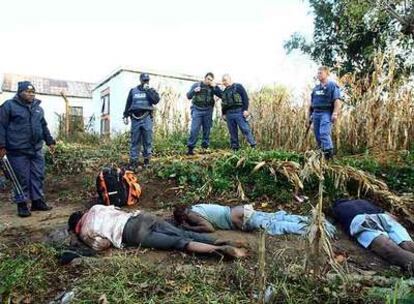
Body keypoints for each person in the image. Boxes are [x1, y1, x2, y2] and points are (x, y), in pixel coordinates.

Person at [68, 204, 247, 258]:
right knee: (183, 233)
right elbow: (117, 209)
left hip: (133, 233)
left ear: (75, 226)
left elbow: (103, 244)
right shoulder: (96, 207)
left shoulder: (84, 232)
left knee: (179, 243)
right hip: (142, 217)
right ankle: (222, 241)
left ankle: (219, 251)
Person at [0, 81, 55, 217]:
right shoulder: (9, 106)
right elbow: (1, 126)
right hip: (17, 150)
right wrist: (1, 146)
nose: (31, 94)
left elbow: (43, 126)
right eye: (28, 92)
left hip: (36, 149)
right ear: (20, 92)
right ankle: (22, 204)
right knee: (21, 178)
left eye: (33, 92)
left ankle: (37, 202)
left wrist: (50, 141)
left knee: (38, 175)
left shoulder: (38, 108)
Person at [333, 198, 414, 271]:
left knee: (390, 249)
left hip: (361, 220)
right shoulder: (363, 201)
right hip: (382, 216)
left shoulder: (337, 208)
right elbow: (391, 216)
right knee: (408, 245)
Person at [173, 203, 335, 236]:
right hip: (242, 210)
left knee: (276, 226)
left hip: (241, 219)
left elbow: (209, 228)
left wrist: (188, 228)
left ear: (183, 215)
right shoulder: (196, 207)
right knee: (275, 217)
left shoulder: (191, 215)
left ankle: (316, 229)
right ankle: (310, 219)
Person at [123, 73, 160, 169]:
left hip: (146, 117)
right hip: (135, 118)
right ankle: (133, 161)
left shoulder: (151, 90)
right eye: (144, 80)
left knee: (147, 140)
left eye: (147, 80)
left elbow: (156, 100)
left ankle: (147, 160)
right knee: (135, 140)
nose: (145, 82)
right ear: (140, 80)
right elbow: (128, 103)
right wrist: (125, 115)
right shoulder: (133, 91)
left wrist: (148, 90)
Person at [309, 66, 342, 159]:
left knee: (324, 132)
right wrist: (310, 116)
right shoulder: (316, 88)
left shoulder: (332, 85)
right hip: (316, 113)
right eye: (318, 73)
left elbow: (337, 100)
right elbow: (311, 104)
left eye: (320, 73)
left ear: (327, 74)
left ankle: (329, 154)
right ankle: (321, 153)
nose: (318, 74)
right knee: (317, 135)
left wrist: (335, 113)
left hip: (326, 112)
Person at [186, 72, 222, 155]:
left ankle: (204, 148)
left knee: (207, 130)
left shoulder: (212, 87)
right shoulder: (196, 85)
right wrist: (194, 91)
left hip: (208, 110)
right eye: (208, 79)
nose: (209, 81)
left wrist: (215, 87)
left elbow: (221, 95)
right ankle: (190, 148)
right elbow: (188, 96)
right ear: (205, 78)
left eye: (211, 80)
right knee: (194, 129)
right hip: (197, 110)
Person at [221, 74, 256, 151]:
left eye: (225, 80)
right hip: (229, 114)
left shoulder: (238, 86)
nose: (224, 82)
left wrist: (245, 109)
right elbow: (223, 103)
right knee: (232, 132)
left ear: (230, 79)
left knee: (245, 129)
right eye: (223, 80)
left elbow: (245, 98)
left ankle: (253, 145)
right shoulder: (224, 92)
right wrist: (223, 114)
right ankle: (235, 148)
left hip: (239, 112)